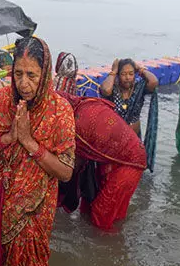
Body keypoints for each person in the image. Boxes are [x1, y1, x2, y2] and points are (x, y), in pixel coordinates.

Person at [0, 37, 80, 266]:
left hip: (33, 212)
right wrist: (8, 138)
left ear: (44, 76)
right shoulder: (0, 102)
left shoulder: (60, 111)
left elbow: (66, 172)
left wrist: (29, 142)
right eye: (18, 74)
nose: (24, 83)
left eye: (32, 75)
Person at [57, 92, 147, 230]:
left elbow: (72, 166)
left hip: (130, 162)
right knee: (89, 207)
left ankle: (109, 246)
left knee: (102, 214)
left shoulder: (77, 125)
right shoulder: (80, 106)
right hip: (109, 157)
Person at [99, 58, 159, 136]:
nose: (127, 77)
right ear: (118, 75)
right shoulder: (113, 89)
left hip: (135, 138)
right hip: (115, 137)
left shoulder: (138, 88)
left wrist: (140, 69)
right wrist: (113, 71)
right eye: (123, 74)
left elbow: (153, 82)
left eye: (131, 74)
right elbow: (105, 90)